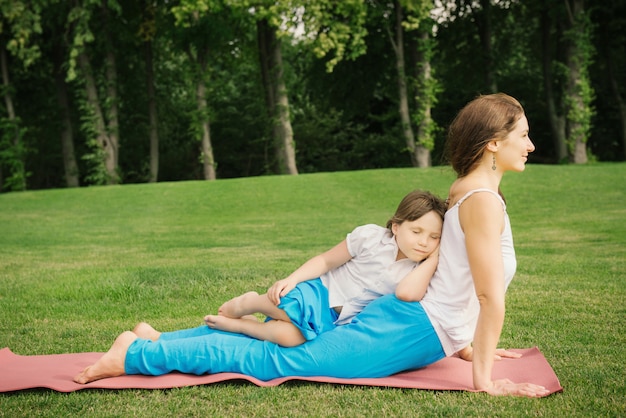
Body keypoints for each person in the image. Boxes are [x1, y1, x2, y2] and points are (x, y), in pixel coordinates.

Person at [74, 93, 549, 397]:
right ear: (492, 143)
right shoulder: (482, 199)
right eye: (523, 135)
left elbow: (455, 277)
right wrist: (485, 382)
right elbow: (487, 295)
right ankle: (136, 355)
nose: (530, 144)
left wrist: (466, 345)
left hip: (421, 325)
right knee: (281, 360)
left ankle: (150, 341)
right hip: (412, 328)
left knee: (283, 347)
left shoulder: (467, 191)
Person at [203, 189, 445, 347]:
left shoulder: (420, 270)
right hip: (319, 291)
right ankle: (249, 302)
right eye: (416, 232)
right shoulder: (370, 237)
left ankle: (241, 325)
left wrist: (434, 257)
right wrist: (293, 279)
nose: (424, 242)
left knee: (292, 338)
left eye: (434, 237)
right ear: (395, 227)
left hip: (338, 317)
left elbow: (416, 297)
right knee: (291, 310)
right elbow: (326, 260)